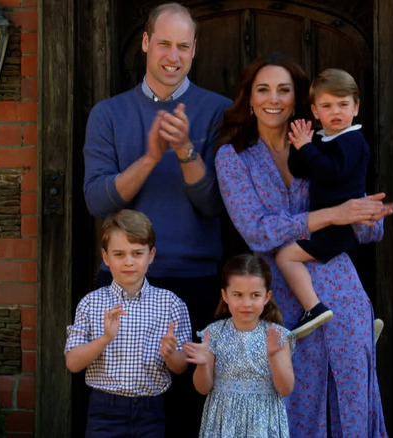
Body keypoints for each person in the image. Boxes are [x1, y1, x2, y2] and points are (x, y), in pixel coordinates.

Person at [214, 53, 393, 437]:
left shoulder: (327, 144)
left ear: (296, 100)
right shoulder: (233, 158)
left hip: (342, 291)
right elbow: (257, 231)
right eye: (263, 90)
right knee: (289, 407)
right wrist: (332, 215)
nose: (273, 99)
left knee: (350, 398)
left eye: (284, 90)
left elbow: (364, 227)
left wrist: (367, 216)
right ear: (250, 98)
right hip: (279, 298)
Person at [82, 3, 232, 436]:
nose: (173, 55)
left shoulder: (218, 111)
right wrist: (150, 158)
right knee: (122, 406)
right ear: (146, 43)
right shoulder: (108, 114)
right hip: (124, 283)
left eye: (183, 46)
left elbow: (216, 205)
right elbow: (97, 200)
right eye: (164, 43)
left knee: (188, 412)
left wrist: (185, 151)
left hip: (195, 282)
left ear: (195, 50)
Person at [64, 209, 192, 438]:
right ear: (105, 257)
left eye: (137, 253)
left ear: (151, 255)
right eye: (119, 254)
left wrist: (171, 354)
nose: (129, 262)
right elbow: (73, 363)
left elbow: (181, 367)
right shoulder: (91, 303)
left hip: (150, 411)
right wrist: (104, 339)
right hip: (104, 410)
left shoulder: (171, 304)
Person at [275, 68, 370, 339]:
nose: (336, 111)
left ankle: (313, 308)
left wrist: (308, 147)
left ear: (356, 107)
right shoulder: (323, 139)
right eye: (327, 106)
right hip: (326, 222)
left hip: (339, 226)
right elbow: (301, 169)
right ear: (315, 111)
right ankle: (358, 323)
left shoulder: (352, 140)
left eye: (343, 104)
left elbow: (331, 172)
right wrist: (299, 145)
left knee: (285, 256)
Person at [183, 254, 294, 438]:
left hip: (263, 423)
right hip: (223, 421)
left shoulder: (277, 335)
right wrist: (202, 365)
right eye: (238, 295)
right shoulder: (214, 333)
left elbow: (286, 389)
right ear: (225, 295)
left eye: (255, 295)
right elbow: (202, 388)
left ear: (267, 297)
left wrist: (274, 357)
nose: (247, 303)